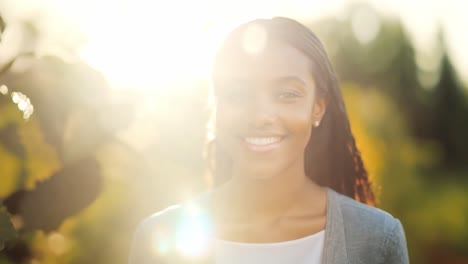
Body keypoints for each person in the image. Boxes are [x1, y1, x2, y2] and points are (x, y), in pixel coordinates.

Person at [129, 17, 409, 264]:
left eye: (287, 94)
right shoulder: (158, 238)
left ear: (318, 107)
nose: (261, 116)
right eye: (237, 94)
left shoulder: (377, 239)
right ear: (217, 106)